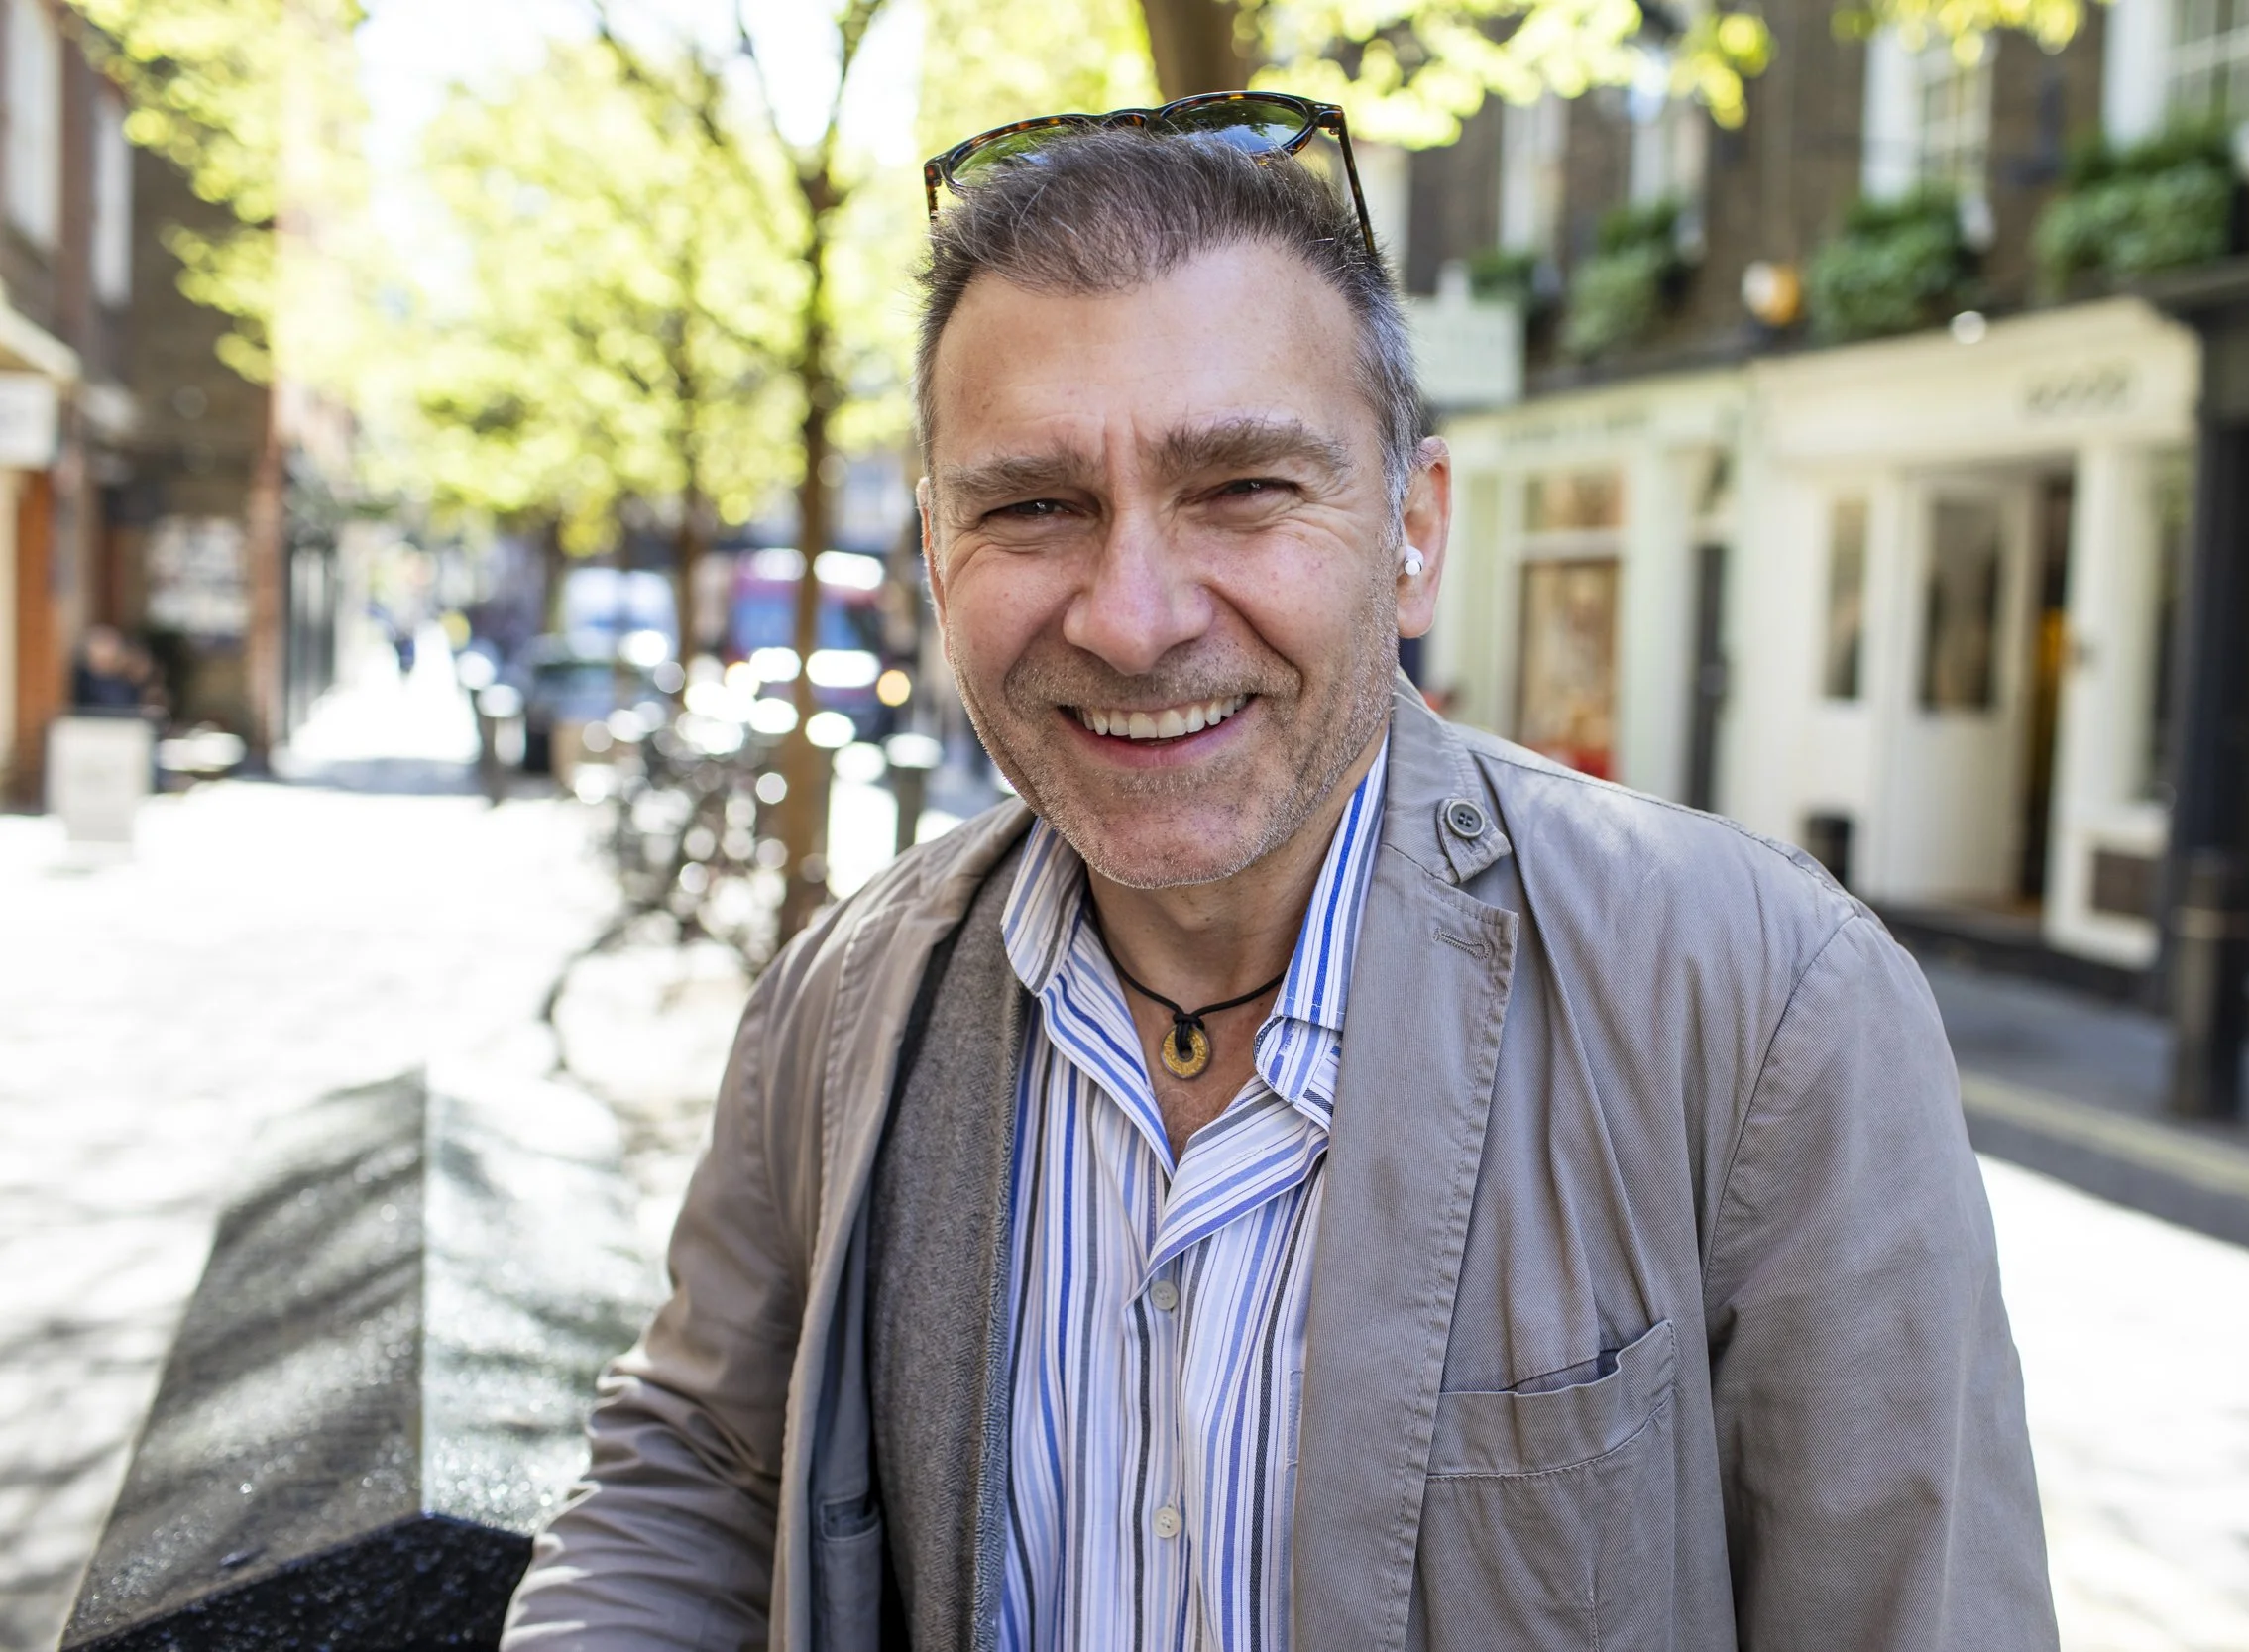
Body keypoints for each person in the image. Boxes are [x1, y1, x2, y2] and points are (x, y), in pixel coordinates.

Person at [505, 106, 2057, 1652]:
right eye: (1034, 505)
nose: (1131, 616)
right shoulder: (839, 1007)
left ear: (1414, 532)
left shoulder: (1768, 1008)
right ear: (933, 551)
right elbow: (703, 1476)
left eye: (1243, 487)